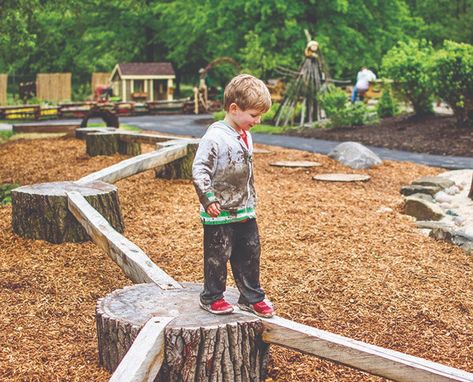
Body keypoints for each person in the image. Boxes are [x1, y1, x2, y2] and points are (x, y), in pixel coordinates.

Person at [192, 74, 274, 318]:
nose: (257, 121)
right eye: (254, 115)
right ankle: (212, 296)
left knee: (250, 253)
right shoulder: (215, 137)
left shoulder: (244, 134)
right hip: (220, 212)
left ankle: (251, 297)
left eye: (260, 116)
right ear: (234, 108)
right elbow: (199, 169)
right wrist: (208, 198)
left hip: (245, 209)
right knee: (218, 256)